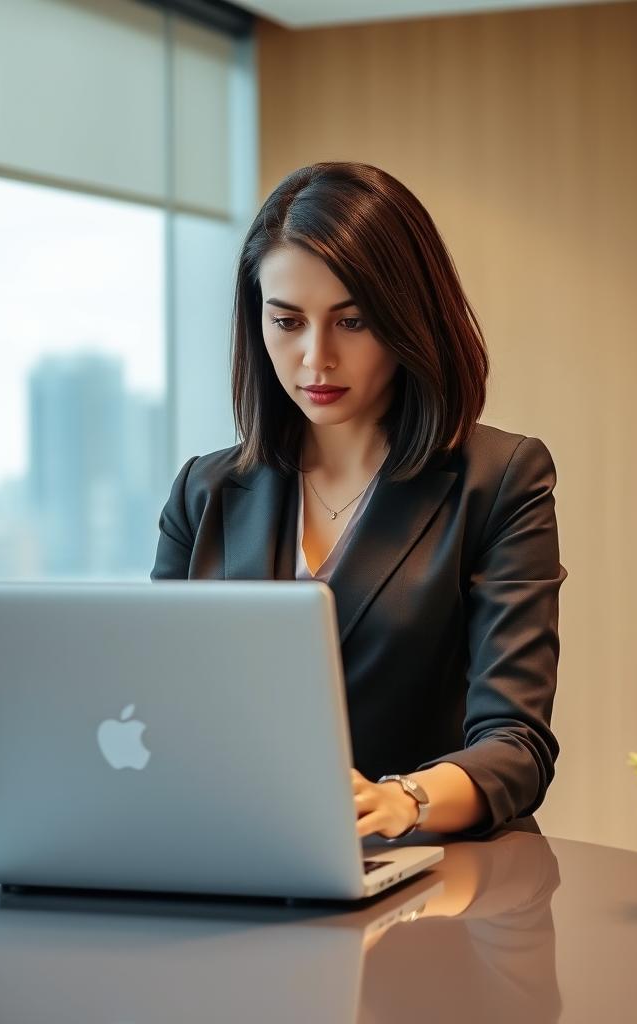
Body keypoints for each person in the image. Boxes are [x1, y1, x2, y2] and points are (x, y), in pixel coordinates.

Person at [151, 161, 568, 842]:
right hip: (236, 861)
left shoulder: (499, 480)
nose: (316, 360)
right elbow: (155, 709)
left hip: (435, 882)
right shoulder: (205, 494)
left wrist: (406, 798)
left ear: (408, 321)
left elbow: (516, 745)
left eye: (352, 322)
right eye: (287, 322)